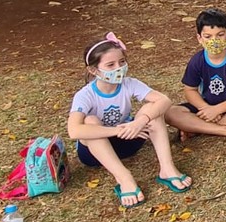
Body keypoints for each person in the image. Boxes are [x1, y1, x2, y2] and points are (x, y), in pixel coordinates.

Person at [66, 32, 192, 208]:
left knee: (153, 110)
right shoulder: (85, 95)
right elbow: (74, 131)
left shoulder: (129, 83)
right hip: (94, 153)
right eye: (110, 65)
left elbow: (164, 100)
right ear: (93, 70)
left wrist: (140, 122)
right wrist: (118, 130)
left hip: (130, 140)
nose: (119, 68)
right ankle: (124, 179)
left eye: (122, 62)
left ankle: (167, 169)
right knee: (90, 121)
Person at [165, 8, 226, 144]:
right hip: (206, 106)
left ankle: (195, 127)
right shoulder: (196, 61)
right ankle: (225, 130)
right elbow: (190, 90)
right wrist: (206, 109)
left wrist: (217, 110)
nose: (214, 40)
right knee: (170, 113)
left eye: (220, 35)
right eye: (208, 36)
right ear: (199, 38)